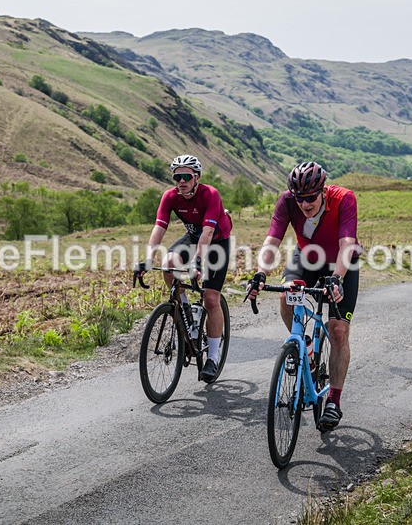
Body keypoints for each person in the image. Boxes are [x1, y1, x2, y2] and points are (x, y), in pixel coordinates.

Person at [246, 162, 360, 432]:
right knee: (287, 294)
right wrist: (261, 272)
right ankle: (304, 347)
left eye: (310, 198)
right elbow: (272, 241)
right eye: (299, 198)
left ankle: (333, 399)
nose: (304, 203)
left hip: (342, 264)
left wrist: (337, 278)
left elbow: (347, 245)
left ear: (323, 190)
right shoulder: (287, 202)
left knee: (338, 330)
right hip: (306, 258)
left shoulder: (344, 199)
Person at [135, 154, 232, 382]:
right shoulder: (170, 197)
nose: (181, 181)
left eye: (186, 176)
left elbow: (207, 234)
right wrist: (148, 259)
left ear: (196, 177)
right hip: (193, 236)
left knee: (210, 297)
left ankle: (213, 358)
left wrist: (198, 261)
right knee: (168, 263)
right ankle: (185, 307)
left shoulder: (210, 194)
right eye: (177, 176)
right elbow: (159, 229)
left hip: (216, 241)